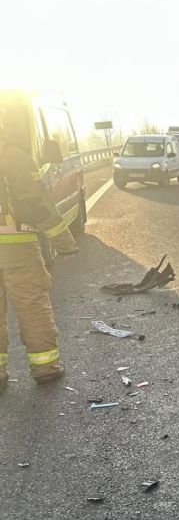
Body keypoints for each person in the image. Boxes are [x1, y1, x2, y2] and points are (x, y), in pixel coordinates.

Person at [0, 122, 73, 393]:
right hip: (18, 248)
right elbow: (38, 205)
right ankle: (45, 368)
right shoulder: (16, 159)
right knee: (32, 307)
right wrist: (64, 243)